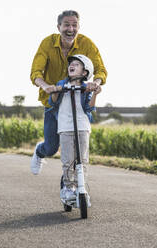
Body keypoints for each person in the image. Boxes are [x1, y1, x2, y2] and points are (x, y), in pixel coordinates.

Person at [30, 10, 107, 175]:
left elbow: (100, 69)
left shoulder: (86, 43)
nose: (70, 29)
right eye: (66, 25)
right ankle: (39, 151)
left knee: (77, 149)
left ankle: (71, 186)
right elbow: (36, 72)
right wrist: (46, 86)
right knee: (51, 148)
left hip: (77, 101)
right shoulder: (47, 43)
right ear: (59, 27)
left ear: (79, 27)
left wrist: (96, 83)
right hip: (54, 101)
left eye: (74, 25)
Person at [49, 54, 101, 201]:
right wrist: (55, 91)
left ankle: (81, 186)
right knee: (68, 159)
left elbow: (89, 108)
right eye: (71, 64)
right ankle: (68, 187)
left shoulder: (86, 88)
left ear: (85, 72)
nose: (72, 65)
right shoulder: (62, 83)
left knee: (83, 159)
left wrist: (94, 93)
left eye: (77, 64)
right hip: (65, 127)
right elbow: (52, 103)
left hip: (83, 127)